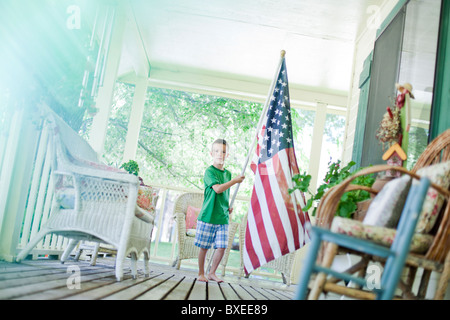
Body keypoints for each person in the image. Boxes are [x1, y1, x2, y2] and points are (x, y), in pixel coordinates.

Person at [194, 139, 245, 283]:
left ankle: (212, 273)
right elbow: (217, 189)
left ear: (227, 154)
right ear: (211, 153)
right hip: (208, 216)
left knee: (222, 246)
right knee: (204, 247)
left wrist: (226, 206)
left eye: (223, 152)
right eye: (216, 151)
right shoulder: (209, 171)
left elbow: (224, 194)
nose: (220, 154)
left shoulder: (228, 174)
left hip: (222, 217)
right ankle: (200, 273)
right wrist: (235, 181)